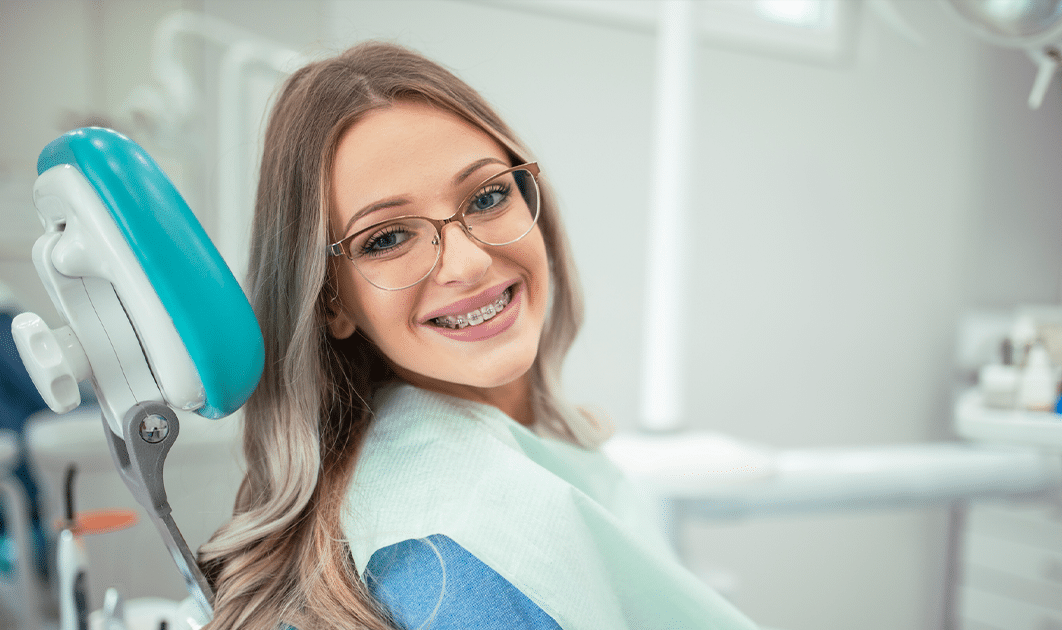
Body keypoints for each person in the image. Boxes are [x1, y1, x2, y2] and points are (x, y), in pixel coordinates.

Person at [198, 42, 757, 630]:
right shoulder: (451, 560)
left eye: (488, 197)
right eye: (386, 238)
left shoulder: (519, 454)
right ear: (331, 301)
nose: (465, 263)